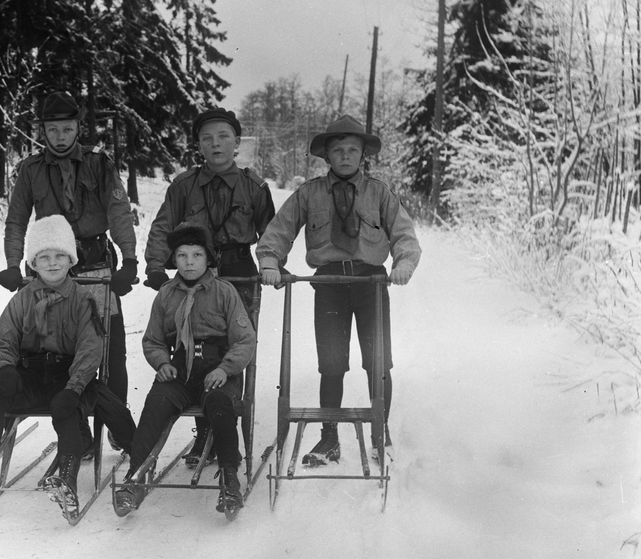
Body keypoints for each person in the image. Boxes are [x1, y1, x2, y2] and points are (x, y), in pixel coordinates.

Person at [256, 114, 421, 466]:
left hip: (370, 283)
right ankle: (328, 438)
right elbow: (278, 231)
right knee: (330, 364)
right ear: (326, 156)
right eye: (338, 150)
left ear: (363, 155)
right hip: (329, 284)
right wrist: (269, 262)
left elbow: (405, 235)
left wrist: (404, 264)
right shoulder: (309, 193)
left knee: (378, 362)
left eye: (352, 150)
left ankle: (380, 433)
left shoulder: (379, 193)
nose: (345, 156)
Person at [0, 215, 135, 522]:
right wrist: (5, 369)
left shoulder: (83, 299)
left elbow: (90, 349)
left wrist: (75, 386)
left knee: (65, 406)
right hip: (31, 375)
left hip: (68, 376)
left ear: (71, 260)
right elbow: (3, 339)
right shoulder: (23, 299)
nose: (53, 263)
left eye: (59, 256)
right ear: (33, 263)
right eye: (44, 257)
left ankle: (67, 481)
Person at [143, 107, 275, 468]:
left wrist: (271, 264)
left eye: (223, 137)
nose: (215, 144)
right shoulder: (183, 186)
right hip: (193, 273)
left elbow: (272, 233)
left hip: (238, 272)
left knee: (232, 348)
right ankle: (204, 434)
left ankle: (224, 428)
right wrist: (155, 265)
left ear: (237, 142)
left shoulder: (254, 187)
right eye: (207, 138)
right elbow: (163, 226)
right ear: (198, 145)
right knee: (194, 347)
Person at [0, 91, 138, 432]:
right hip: (50, 267)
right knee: (58, 347)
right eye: (52, 129)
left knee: (109, 346)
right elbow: (16, 220)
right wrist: (13, 264)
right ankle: (77, 428)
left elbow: (118, 212)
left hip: (96, 265)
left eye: (67, 129)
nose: (60, 136)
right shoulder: (31, 169)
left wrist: (130, 260)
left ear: (78, 128)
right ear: (42, 131)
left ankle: (115, 423)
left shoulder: (98, 163)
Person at [114, 224, 257, 517]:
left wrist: (225, 369)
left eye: (196, 255)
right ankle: (134, 478)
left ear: (208, 258)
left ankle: (230, 480)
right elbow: (153, 340)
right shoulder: (166, 294)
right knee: (155, 404)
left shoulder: (224, 292)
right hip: (179, 372)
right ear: (174, 259)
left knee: (219, 405)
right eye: (182, 255)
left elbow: (245, 340)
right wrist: (162, 363)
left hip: (217, 371)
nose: (189, 262)